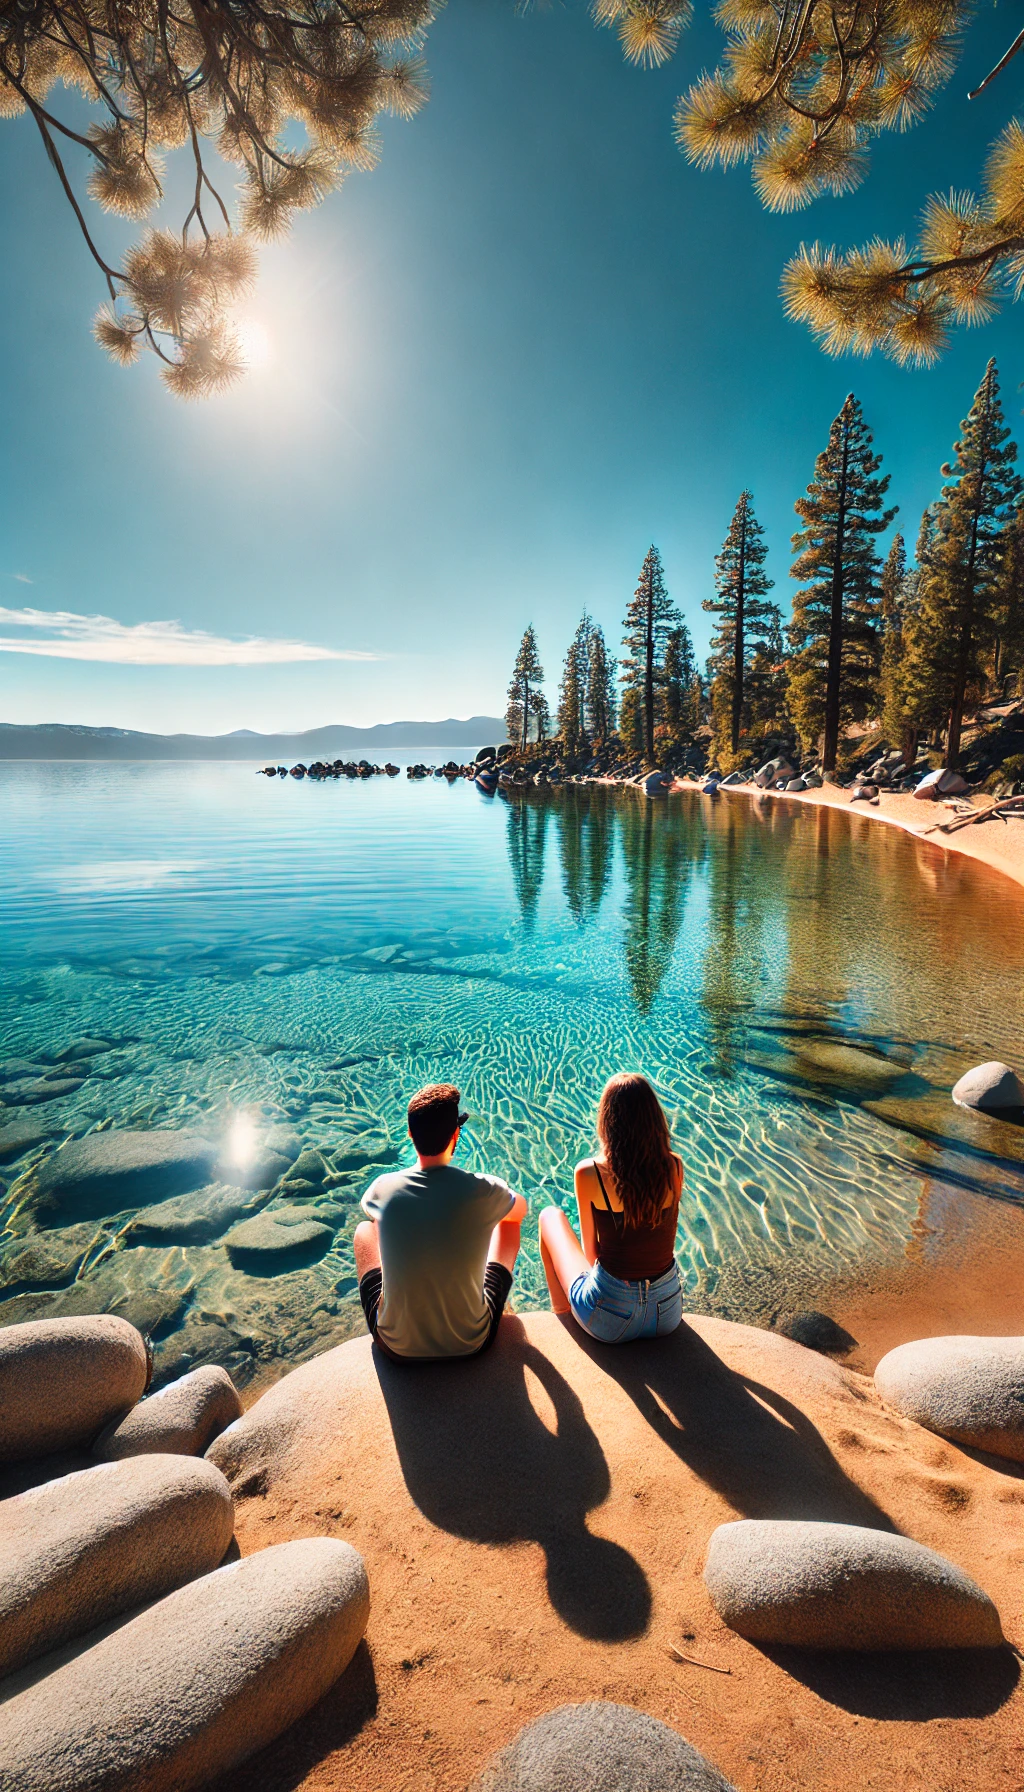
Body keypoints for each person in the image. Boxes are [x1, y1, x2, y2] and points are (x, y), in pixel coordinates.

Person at [354, 1082, 527, 1361]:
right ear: (456, 1133)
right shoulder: (484, 1189)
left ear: (410, 1133)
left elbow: (372, 1218)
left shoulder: (382, 1187)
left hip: (396, 1347)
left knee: (365, 1230)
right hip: (472, 1343)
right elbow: (519, 1210)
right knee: (507, 1221)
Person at [537, 1073, 683, 1344]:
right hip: (667, 1314)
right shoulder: (674, 1166)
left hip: (610, 1321)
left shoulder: (589, 1172)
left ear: (607, 1120)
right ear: (654, 1119)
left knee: (550, 1216)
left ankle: (562, 1316)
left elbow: (591, 1254)